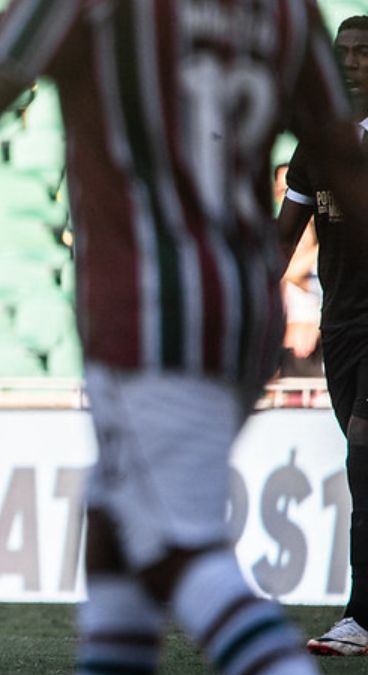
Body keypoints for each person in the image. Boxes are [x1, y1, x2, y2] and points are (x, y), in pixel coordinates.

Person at [0, 2, 368, 673]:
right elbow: (342, 159)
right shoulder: (284, 11)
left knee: (173, 550)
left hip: (149, 310)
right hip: (242, 310)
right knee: (111, 539)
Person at [278, 14, 368, 657]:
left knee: (363, 459)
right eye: (343, 53)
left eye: (365, 52)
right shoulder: (318, 144)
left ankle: (360, 617)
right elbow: (282, 239)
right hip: (343, 327)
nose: (352, 62)